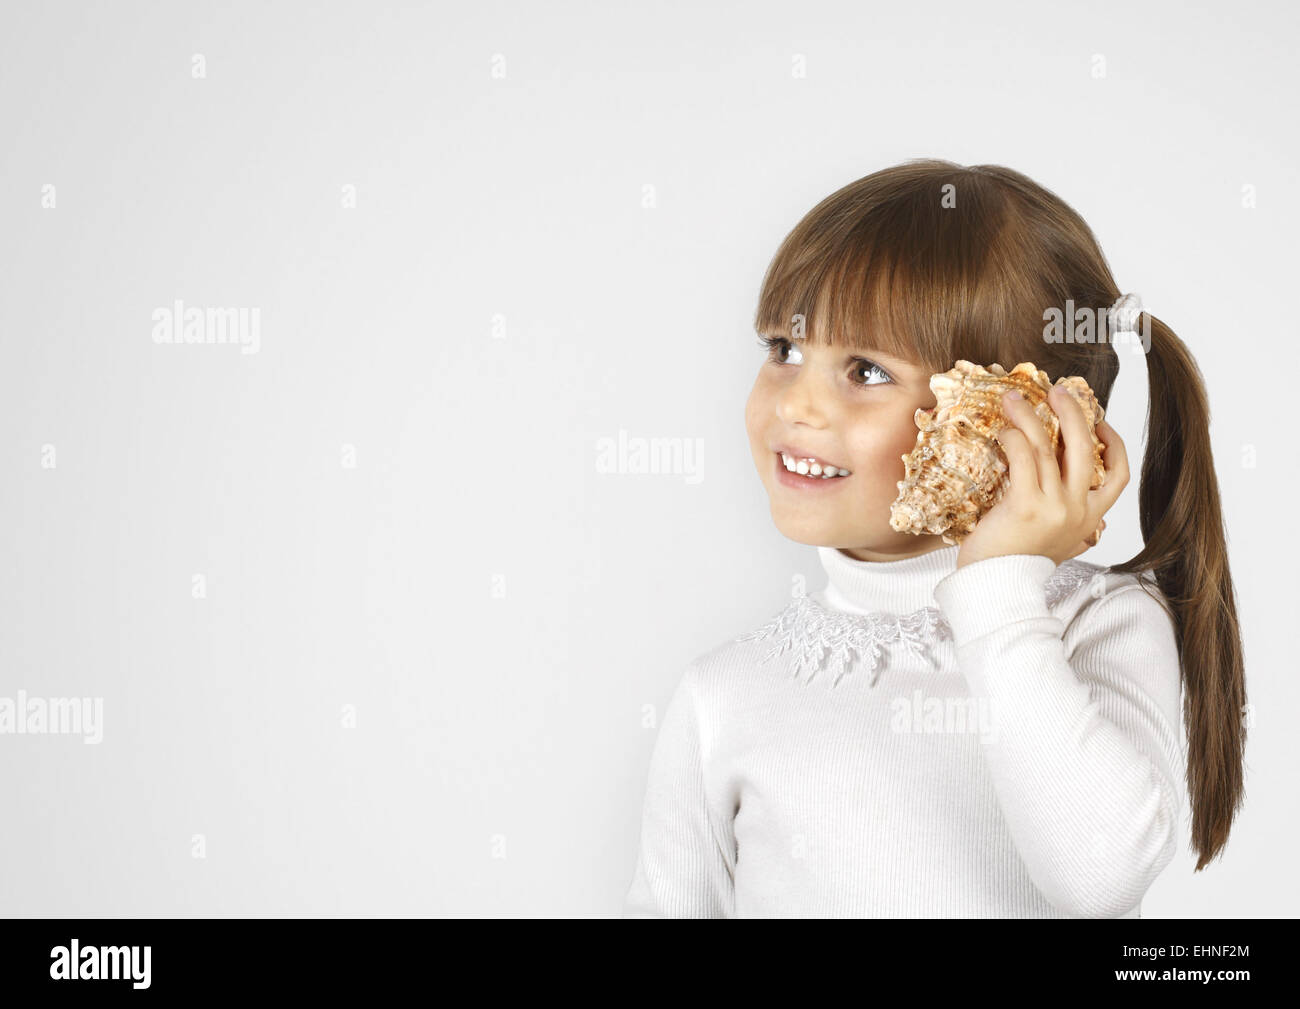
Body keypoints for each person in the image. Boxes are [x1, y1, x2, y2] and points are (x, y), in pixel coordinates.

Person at [622, 159, 1246, 918]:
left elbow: (1101, 876)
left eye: (865, 369)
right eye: (784, 350)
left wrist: (998, 584)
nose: (799, 406)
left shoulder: (1093, 625)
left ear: (1013, 416)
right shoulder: (722, 694)